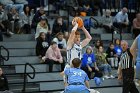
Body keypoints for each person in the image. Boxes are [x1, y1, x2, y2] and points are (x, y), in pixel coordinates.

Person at [61, 18, 92, 86]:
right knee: (67, 85)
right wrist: (76, 25)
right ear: (73, 38)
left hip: (77, 68)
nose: (78, 38)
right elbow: (72, 32)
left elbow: (89, 38)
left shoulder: (80, 45)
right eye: (76, 37)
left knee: (79, 85)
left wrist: (83, 27)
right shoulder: (70, 44)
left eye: (79, 37)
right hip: (69, 67)